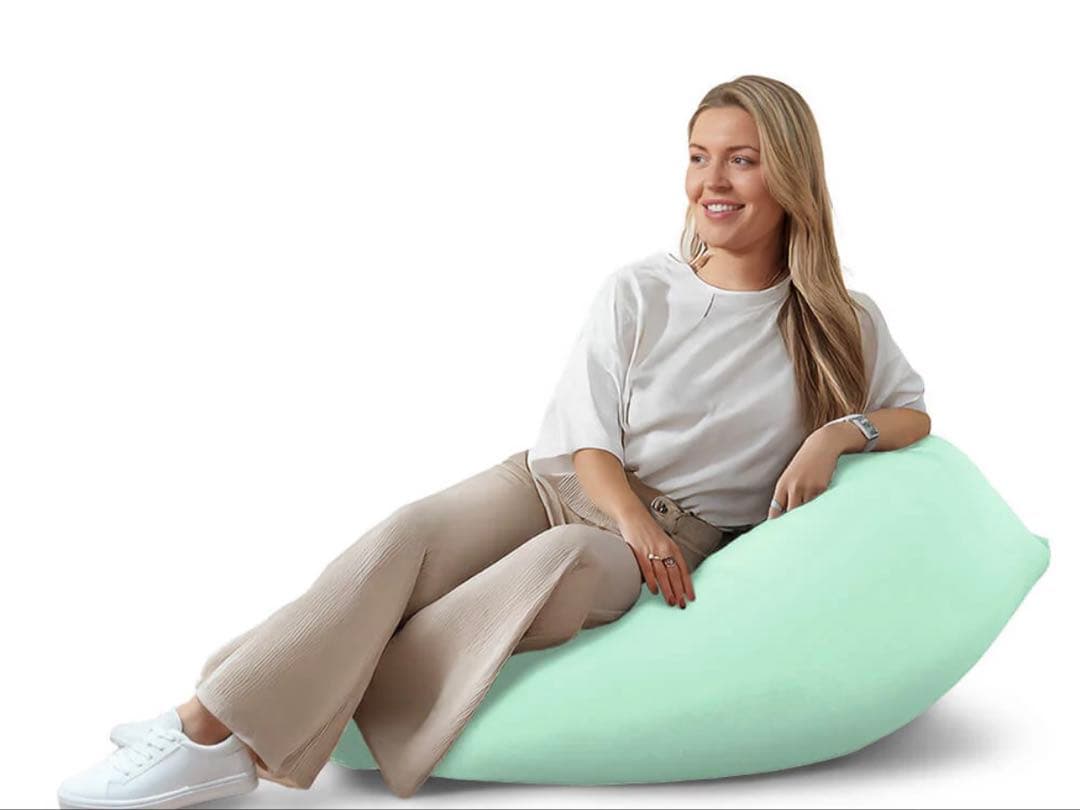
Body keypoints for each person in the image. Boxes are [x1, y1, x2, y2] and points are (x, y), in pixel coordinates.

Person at [56, 74, 932, 809]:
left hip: (672, 538)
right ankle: (201, 724)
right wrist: (634, 522)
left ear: (791, 175)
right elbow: (587, 440)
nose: (713, 181)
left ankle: (223, 729)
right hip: (567, 486)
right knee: (407, 535)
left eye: (742, 159)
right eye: (699, 156)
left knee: (555, 562)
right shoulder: (642, 290)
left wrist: (836, 435)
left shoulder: (840, 320)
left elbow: (911, 414)